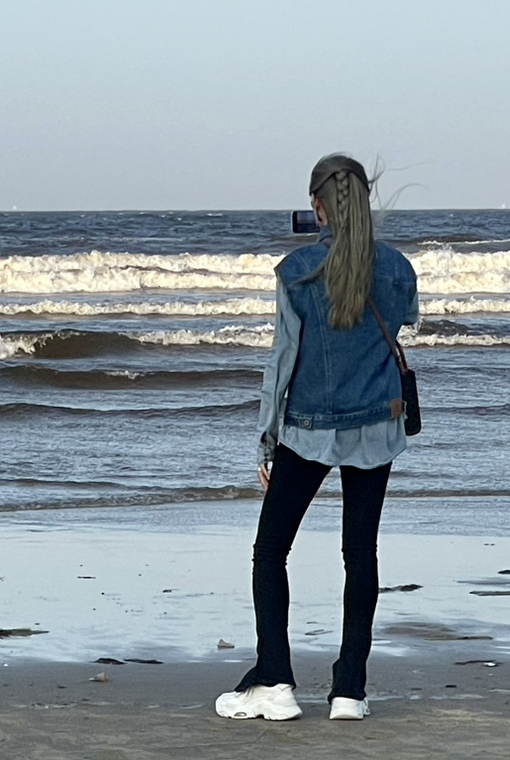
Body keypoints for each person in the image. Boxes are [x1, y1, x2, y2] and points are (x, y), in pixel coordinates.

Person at [214, 154, 419, 721]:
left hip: (308, 428)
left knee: (270, 551)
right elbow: (403, 324)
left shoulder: (297, 271)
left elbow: (282, 360)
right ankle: (349, 689)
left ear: (317, 207)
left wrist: (266, 438)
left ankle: (275, 679)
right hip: (377, 424)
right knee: (360, 552)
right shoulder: (398, 268)